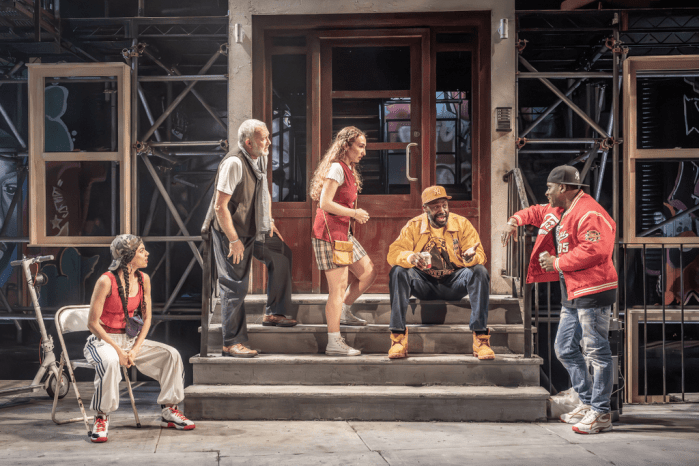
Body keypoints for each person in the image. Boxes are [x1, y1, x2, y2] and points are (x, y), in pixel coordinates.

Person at [502, 165, 617, 435]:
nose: (546, 192)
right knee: (564, 348)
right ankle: (587, 402)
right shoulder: (560, 209)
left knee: (597, 353)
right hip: (573, 292)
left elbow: (596, 249)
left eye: (550, 187)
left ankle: (601, 412)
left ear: (563, 188)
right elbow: (534, 211)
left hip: (593, 291)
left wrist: (557, 262)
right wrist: (514, 221)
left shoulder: (589, 211)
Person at [84, 234, 195, 443]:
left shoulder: (144, 280)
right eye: (142, 250)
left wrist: (134, 350)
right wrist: (119, 352)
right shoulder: (105, 281)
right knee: (109, 361)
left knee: (171, 355)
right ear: (128, 256)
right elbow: (92, 324)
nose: (147, 253)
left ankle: (169, 410)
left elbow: (147, 318)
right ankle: (101, 417)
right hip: (102, 341)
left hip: (130, 342)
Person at [208, 119, 296, 358]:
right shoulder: (235, 163)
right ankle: (231, 342)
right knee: (235, 286)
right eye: (263, 138)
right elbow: (220, 207)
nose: (269, 142)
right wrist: (234, 240)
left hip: (253, 227)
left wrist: (269, 221)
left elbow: (261, 193)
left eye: (268, 136)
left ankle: (275, 312)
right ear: (248, 142)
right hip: (232, 231)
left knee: (281, 254)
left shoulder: (260, 157)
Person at [386, 185, 493, 360]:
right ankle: (397, 338)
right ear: (425, 209)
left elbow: (480, 254)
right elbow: (393, 253)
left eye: (444, 205)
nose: (442, 210)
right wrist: (411, 257)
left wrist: (469, 259)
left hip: (454, 282)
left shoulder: (462, 224)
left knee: (479, 271)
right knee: (398, 271)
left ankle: (480, 338)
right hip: (424, 283)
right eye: (436, 207)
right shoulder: (413, 226)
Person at [310, 126, 377, 356]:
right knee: (336, 289)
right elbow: (324, 203)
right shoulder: (337, 168)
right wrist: (354, 214)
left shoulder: (348, 168)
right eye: (360, 146)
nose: (363, 152)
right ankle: (333, 341)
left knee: (368, 272)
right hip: (329, 234)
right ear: (346, 146)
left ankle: (345, 310)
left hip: (342, 234)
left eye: (364, 147)